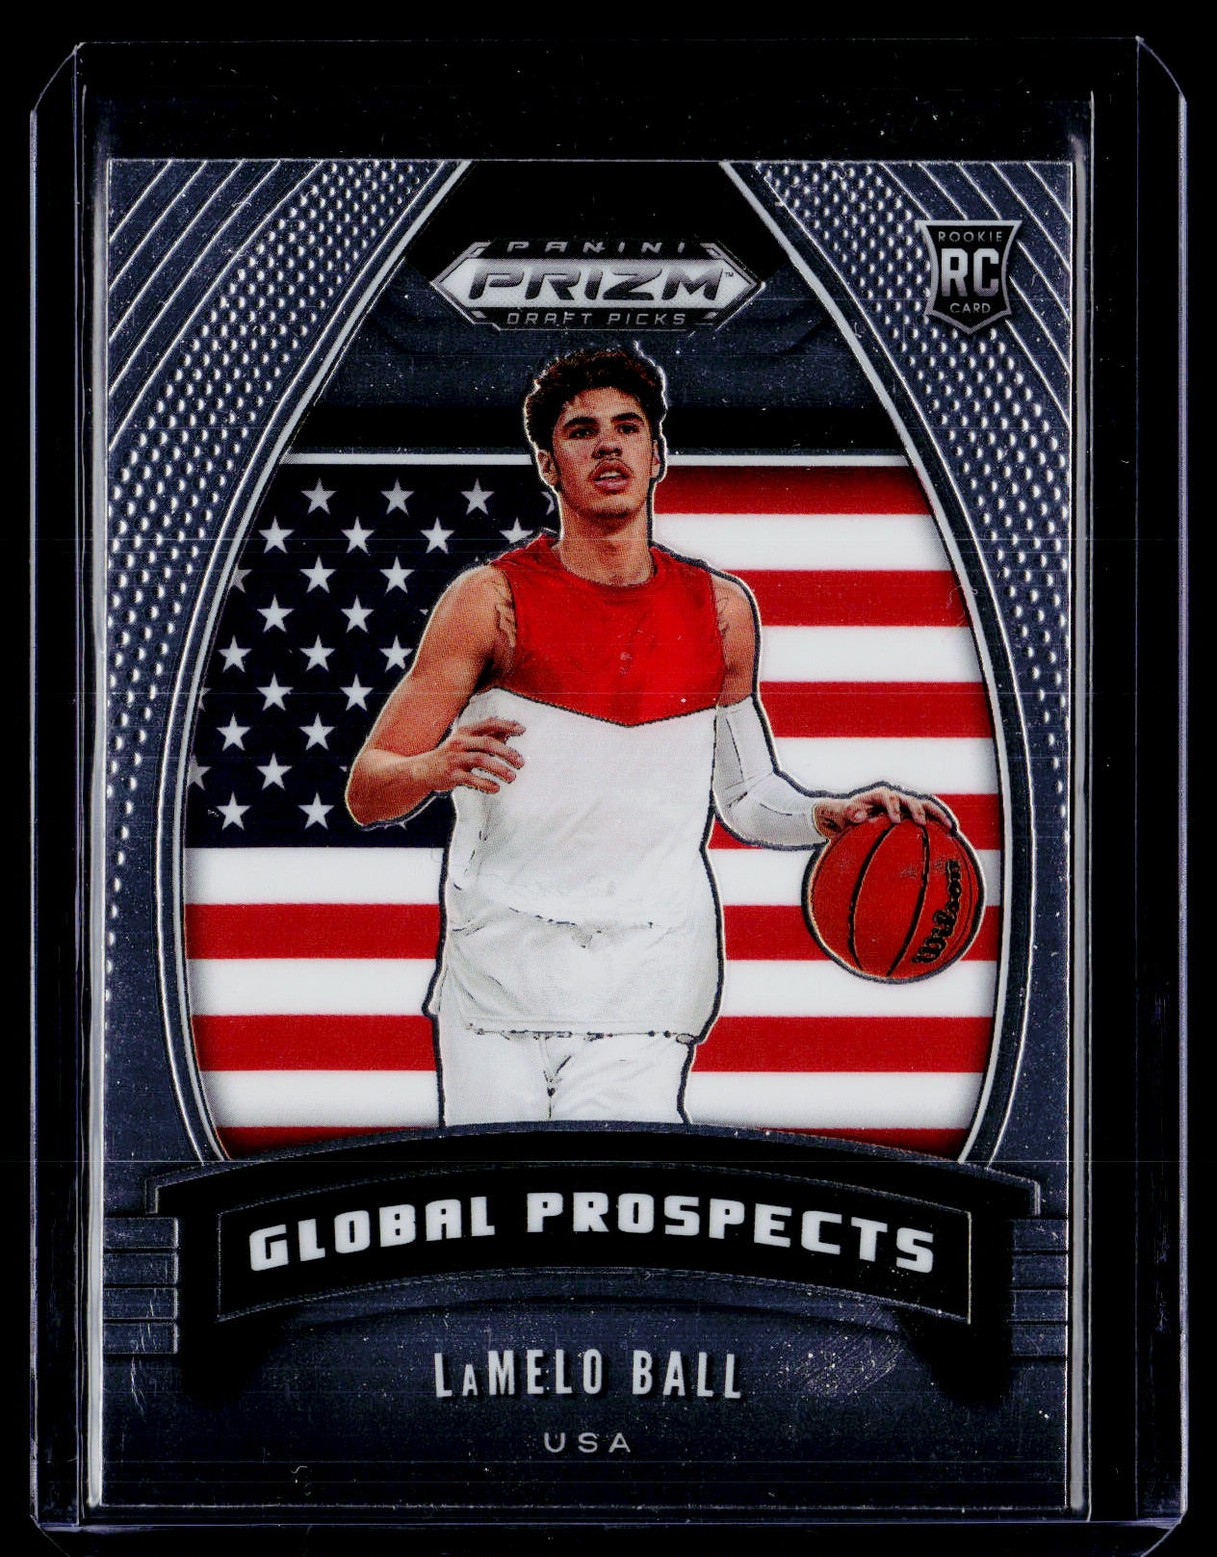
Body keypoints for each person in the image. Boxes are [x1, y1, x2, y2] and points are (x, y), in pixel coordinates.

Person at [346, 348, 948, 1125]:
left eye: (627, 428)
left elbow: (745, 796)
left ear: (656, 455)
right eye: (581, 431)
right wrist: (428, 769)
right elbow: (367, 790)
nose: (608, 445)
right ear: (547, 465)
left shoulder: (721, 610)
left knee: (610, 1195)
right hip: (500, 976)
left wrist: (822, 815)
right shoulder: (488, 600)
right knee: (504, 1198)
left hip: (649, 976)